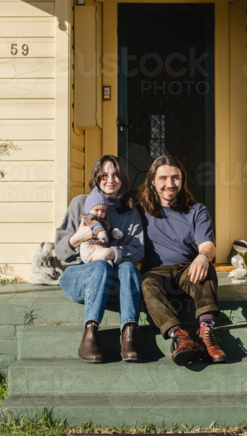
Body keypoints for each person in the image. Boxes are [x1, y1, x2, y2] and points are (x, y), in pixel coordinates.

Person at [138, 154, 226, 366]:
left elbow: (207, 245)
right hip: (157, 274)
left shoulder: (196, 210)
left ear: (182, 179)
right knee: (146, 283)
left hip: (189, 272)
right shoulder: (139, 210)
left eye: (175, 178)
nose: (170, 184)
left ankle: (207, 333)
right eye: (163, 178)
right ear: (152, 181)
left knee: (207, 268)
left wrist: (203, 256)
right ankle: (180, 337)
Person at [55, 155, 144, 363]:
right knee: (100, 266)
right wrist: (80, 237)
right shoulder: (80, 203)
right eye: (104, 175)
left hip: (116, 284)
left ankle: (129, 337)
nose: (110, 180)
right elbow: (60, 251)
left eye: (115, 175)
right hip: (79, 277)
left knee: (129, 268)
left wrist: (112, 253)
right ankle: (89, 337)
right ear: (96, 178)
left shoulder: (131, 210)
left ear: (123, 178)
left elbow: (138, 250)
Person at [78, 187, 123, 263]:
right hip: (88, 247)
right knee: (101, 263)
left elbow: (107, 228)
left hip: (99, 247)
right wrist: (101, 233)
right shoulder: (89, 218)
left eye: (103, 211)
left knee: (108, 263)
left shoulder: (103, 220)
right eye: (96, 210)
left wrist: (113, 232)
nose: (100, 213)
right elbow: (95, 226)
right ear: (89, 209)